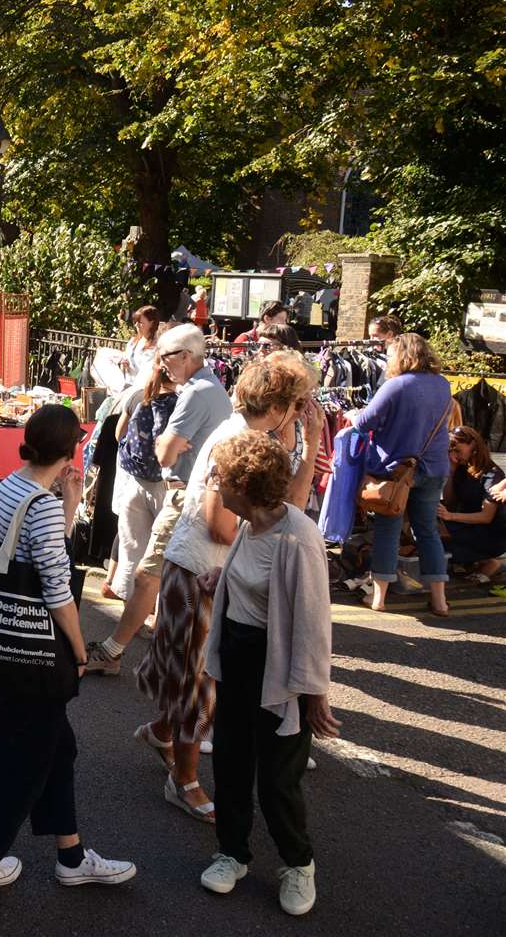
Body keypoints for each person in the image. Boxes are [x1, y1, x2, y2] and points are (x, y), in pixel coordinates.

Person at [134, 353, 317, 825]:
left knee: (194, 673)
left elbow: (288, 508)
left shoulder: (246, 434)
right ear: (277, 405)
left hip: (204, 569)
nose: (299, 411)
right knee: (200, 678)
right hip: (201, 570)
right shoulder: (235, 440)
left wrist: (311, 440)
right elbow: (220, 525)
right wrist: (262, 551)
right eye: (296, 404)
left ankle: (162, 732)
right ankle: (184, 781)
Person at [0, 404, 137, 893]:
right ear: (69, 450)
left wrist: (70, 503)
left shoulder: (9, 488)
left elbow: (28, 552)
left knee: (57, 748)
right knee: (24, 756)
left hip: (10, 644)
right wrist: (81, 650)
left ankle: (72, 856)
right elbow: (56, 588)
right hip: (37, 651)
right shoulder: (37, 503)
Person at [198, 431, 337, 917]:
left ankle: (299, 864)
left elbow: (314, 623)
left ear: (245, 485)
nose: (216, 484)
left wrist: (315, 694)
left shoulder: (296, 537)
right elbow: (252, 581)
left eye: (221, 477)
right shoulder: (250, 526)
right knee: (231, 762)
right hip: (238, 659)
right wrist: (222, 578)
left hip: (277, 668)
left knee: (278, 779)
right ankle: (232, 853)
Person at [87, 324, 233, 675]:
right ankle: (185, 663)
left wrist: (166, 444)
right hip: (190, 493)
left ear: (186, 356)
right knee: (174, 580)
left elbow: (166, 455)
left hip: (184, 495)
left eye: (165, 356)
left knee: (148, 575)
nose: (160, 363)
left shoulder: (197, 392)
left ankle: (113, 653)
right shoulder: (208, 388)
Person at [354, 334, 454, 614]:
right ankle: (440, 601)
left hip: (397, 471)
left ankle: (379, 598)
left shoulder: (395, 385)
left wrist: (352, 418)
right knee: (427, 532)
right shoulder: (443, 384)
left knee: (388, 530)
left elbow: (364, 422)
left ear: (400, 356)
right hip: (434, 467)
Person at [107, 356, 178, 601]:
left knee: (131, 547)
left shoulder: (138, 396)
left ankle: (126, 603)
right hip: (163, 485)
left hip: (134, 481)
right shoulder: (180, 404)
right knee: (159, 553)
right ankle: (149, 610)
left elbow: (119, 435)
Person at [440, 427, 506, 582]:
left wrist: (450, 516)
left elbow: (486, 517)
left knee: (437, 542)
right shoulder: (463, 469)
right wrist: (451, 470)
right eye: (451, 450)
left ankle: (487, 562)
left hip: (490, 533)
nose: (454, 455)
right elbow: (449, 500)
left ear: (473, 445)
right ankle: (475, 562)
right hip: (467, 524)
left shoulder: (492, 474)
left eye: (457, 450)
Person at [123, 306, 161, 381]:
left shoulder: (158, 345)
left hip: (142, 388)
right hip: (127, 384)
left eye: (140, 322)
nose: (136, 325)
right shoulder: (133, 341)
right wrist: (124, 364)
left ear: (151, 323)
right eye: (136, 322)